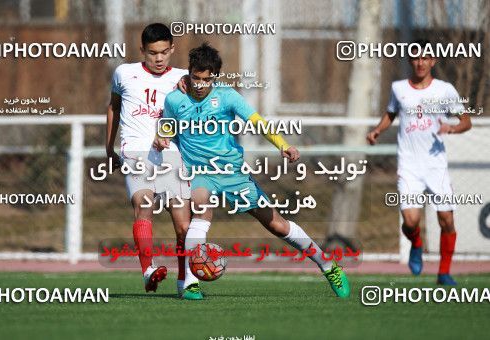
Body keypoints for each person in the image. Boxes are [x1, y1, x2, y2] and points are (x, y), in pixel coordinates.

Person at [155, 42, 350, 300]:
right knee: (200, 215)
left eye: (206, 80)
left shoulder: (227, 96)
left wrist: (283, 145)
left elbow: (256, 122)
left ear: (215, 77)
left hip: (233, 173)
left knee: (277, 225)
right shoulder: (175, 98)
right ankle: (191, 283)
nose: (200, 85)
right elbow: (167, 127)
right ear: (188, 72)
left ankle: (327, 265)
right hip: (199, 173)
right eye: (195, 78)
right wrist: (161, 137)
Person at [367, 39, 472, 285]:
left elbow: (466, 121)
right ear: (411, 60)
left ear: (433, 61)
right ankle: (416, 244)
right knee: (411, 220)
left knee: (446, 219)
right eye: (416, 57)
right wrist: (377, 131)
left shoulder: (445, 90)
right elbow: (391, 113)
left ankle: (444, 272)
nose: (420, 62)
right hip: (409, 165)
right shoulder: (399, 88)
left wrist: (452, 128)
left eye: (425, 57)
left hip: (436, 164)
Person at [106, 23, 196, 295]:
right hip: (135, 151)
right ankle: (148, 269)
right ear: (142, 50)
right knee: (142, 206)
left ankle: (186, 280)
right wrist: (108, 147)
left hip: (172, 155)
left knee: (183, 225)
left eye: (164, 52)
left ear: (172, 49)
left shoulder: (183, 78)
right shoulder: (124, 73)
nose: (158, 59)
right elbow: (114, 106)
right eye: (152, 53)